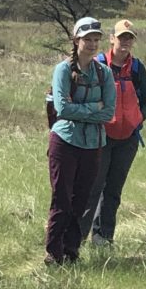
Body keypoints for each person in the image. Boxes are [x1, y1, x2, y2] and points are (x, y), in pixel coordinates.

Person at [45, 17, 114, 266]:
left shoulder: (104, 73)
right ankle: (54, 253)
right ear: (76, 41)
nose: (93, 44)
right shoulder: (62, 70)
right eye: (88, 39)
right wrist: (92, 108)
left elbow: (109, 112)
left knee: (82, 201)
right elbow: (62, 108)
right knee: (61, 199)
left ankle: (72, 252)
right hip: (65, 141)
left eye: (96, 39)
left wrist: (81, 109)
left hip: (93, 144)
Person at [80, 19, 146, 248]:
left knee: (113, 190)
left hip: (128, 140)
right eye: (121, 37)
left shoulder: (138, 68)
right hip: (101, 137)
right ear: (112, 39)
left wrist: (135, 122)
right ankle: (78, 237)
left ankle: (103, 238)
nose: (125, 42)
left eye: (129, 37)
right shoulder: (99, 65)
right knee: (93, 187)